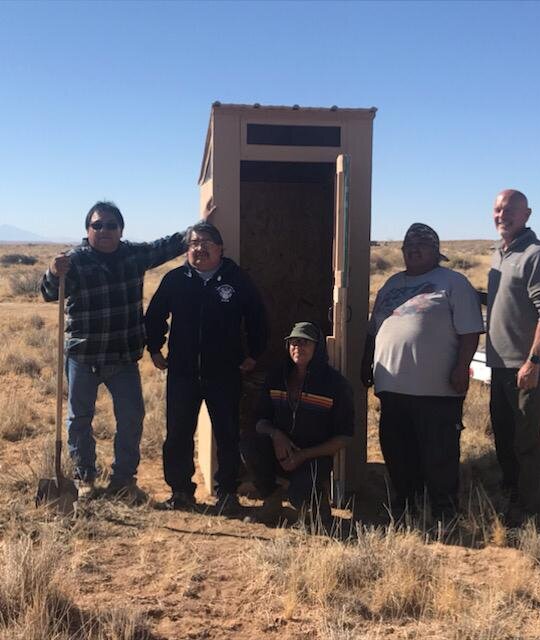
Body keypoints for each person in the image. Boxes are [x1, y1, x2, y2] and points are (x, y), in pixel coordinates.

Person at [41, 200, 212, 500]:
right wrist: (54, 273)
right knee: (79, 420)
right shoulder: (74, 261)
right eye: (98, 225)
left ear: (121, 230)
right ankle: (85, 478)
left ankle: (123, 480)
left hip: (122, 357)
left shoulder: (132, 255)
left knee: (132, 418)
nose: (104, 230)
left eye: (111, 225)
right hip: (84, 356)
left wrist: (198, 227)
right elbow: (48, 293)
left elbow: (168, 245)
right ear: (88, 229)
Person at [361, 223, 484, 524]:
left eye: (422, 246)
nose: (413, 251)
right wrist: (366, 364)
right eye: (408, 246)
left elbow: (470, 331)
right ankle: (406, 506)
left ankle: (444, 513)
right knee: (398, 451)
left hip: (436, 389)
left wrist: (461, 368)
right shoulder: (391, 284)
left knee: (439, 454)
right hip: (392, 387)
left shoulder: (453, 282)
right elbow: (375, 328)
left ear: (436, 251)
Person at [145, 221, 268, 511]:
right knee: (177, 433)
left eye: (206, 243)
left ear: (220, 249)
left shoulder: (236, 279)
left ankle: (227, 493)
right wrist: (154, 346)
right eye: (194, 243)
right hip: (182, 372)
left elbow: (257, 318)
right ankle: (181, 492)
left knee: (227, 433)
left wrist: (254, 353)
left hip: (224, 372)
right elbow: (155, 316)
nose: (199, 248)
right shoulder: (175, 279)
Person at [486, 189, 540, 526]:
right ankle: (512, 493)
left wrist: (533, 361)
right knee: (503, 434)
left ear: (527, 215)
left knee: (526, 441)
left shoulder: (537, 255)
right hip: (500, 366)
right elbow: (503, 299)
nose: (502, 215)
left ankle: (532, 510)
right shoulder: (500, 254)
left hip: (525, 367)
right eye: (498, 209)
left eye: (510, 210)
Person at [240, 322, 354, 524]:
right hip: (280, 452)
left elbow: (344, 437)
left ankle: (317, 504)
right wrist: (276, 435)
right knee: (250, 444)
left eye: (304, 343)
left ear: (317, 347)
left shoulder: (335, 384)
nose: (297, 347)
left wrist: (303, 455)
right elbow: (260, 420)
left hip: (313, 457)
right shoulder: (277, 377)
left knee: (300, 498)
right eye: (293, 342)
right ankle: (272, 501)